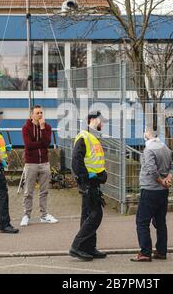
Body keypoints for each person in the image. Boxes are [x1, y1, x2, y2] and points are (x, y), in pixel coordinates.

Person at [131, 127, 173, 262]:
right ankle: (161, 251)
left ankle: (145, 252)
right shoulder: (166, 148)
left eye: (146, 132)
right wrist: (168, 179)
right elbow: (172, 166)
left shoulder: (149, 149)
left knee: (142, 222)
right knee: (160, 222)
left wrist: (161, 181)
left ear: (148, 135)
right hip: (163, 192)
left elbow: (151, 170)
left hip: (150, 190)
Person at [69, 111, 108, 261]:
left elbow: (95, 161)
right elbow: (76, 161)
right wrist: (84, 178)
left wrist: (102, 174)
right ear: (92, 120)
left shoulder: (93, 138)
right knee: (96, 214)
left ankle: (89, 247)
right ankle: (77, 247)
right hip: (88, 183)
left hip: (94, 182)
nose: (102, 124)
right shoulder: (84, 137)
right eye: (101, 121)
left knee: (87, 216)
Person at [20, 105, 58, 226]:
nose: (40, 115)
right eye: (37, 113)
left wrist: (42, 128)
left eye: (41, 112)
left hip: (44, 163)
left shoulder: (47, 127)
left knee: (44, 191)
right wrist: (40, 143)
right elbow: (28, 145)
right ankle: (26, 215)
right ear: (32, 115)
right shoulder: (26, 128)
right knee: (28, 191)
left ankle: (44, 215)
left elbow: (47, 143)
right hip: (31, 163)